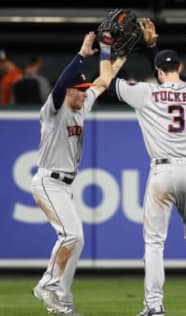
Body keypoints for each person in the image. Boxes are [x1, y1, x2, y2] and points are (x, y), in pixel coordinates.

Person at [98, 26, 186, 316]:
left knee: (154, 242)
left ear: (158, 71)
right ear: (180, 68)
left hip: (162, 172)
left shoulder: (146, 92)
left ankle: (155, 306)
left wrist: (106, 46)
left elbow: (106, 80)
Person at [31, 31, 125, 316]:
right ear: (68, 92)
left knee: (76, 239)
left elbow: (104, 81)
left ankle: (61, 298)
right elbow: (60, 84)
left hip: (65, 185)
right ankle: (47, 286)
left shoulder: (82, 105)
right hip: (48, 181)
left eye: (85, 90)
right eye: (80, 90)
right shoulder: (54, 109)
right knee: (70, 236)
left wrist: (109, 51)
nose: (85, 93)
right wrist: (82, 54)